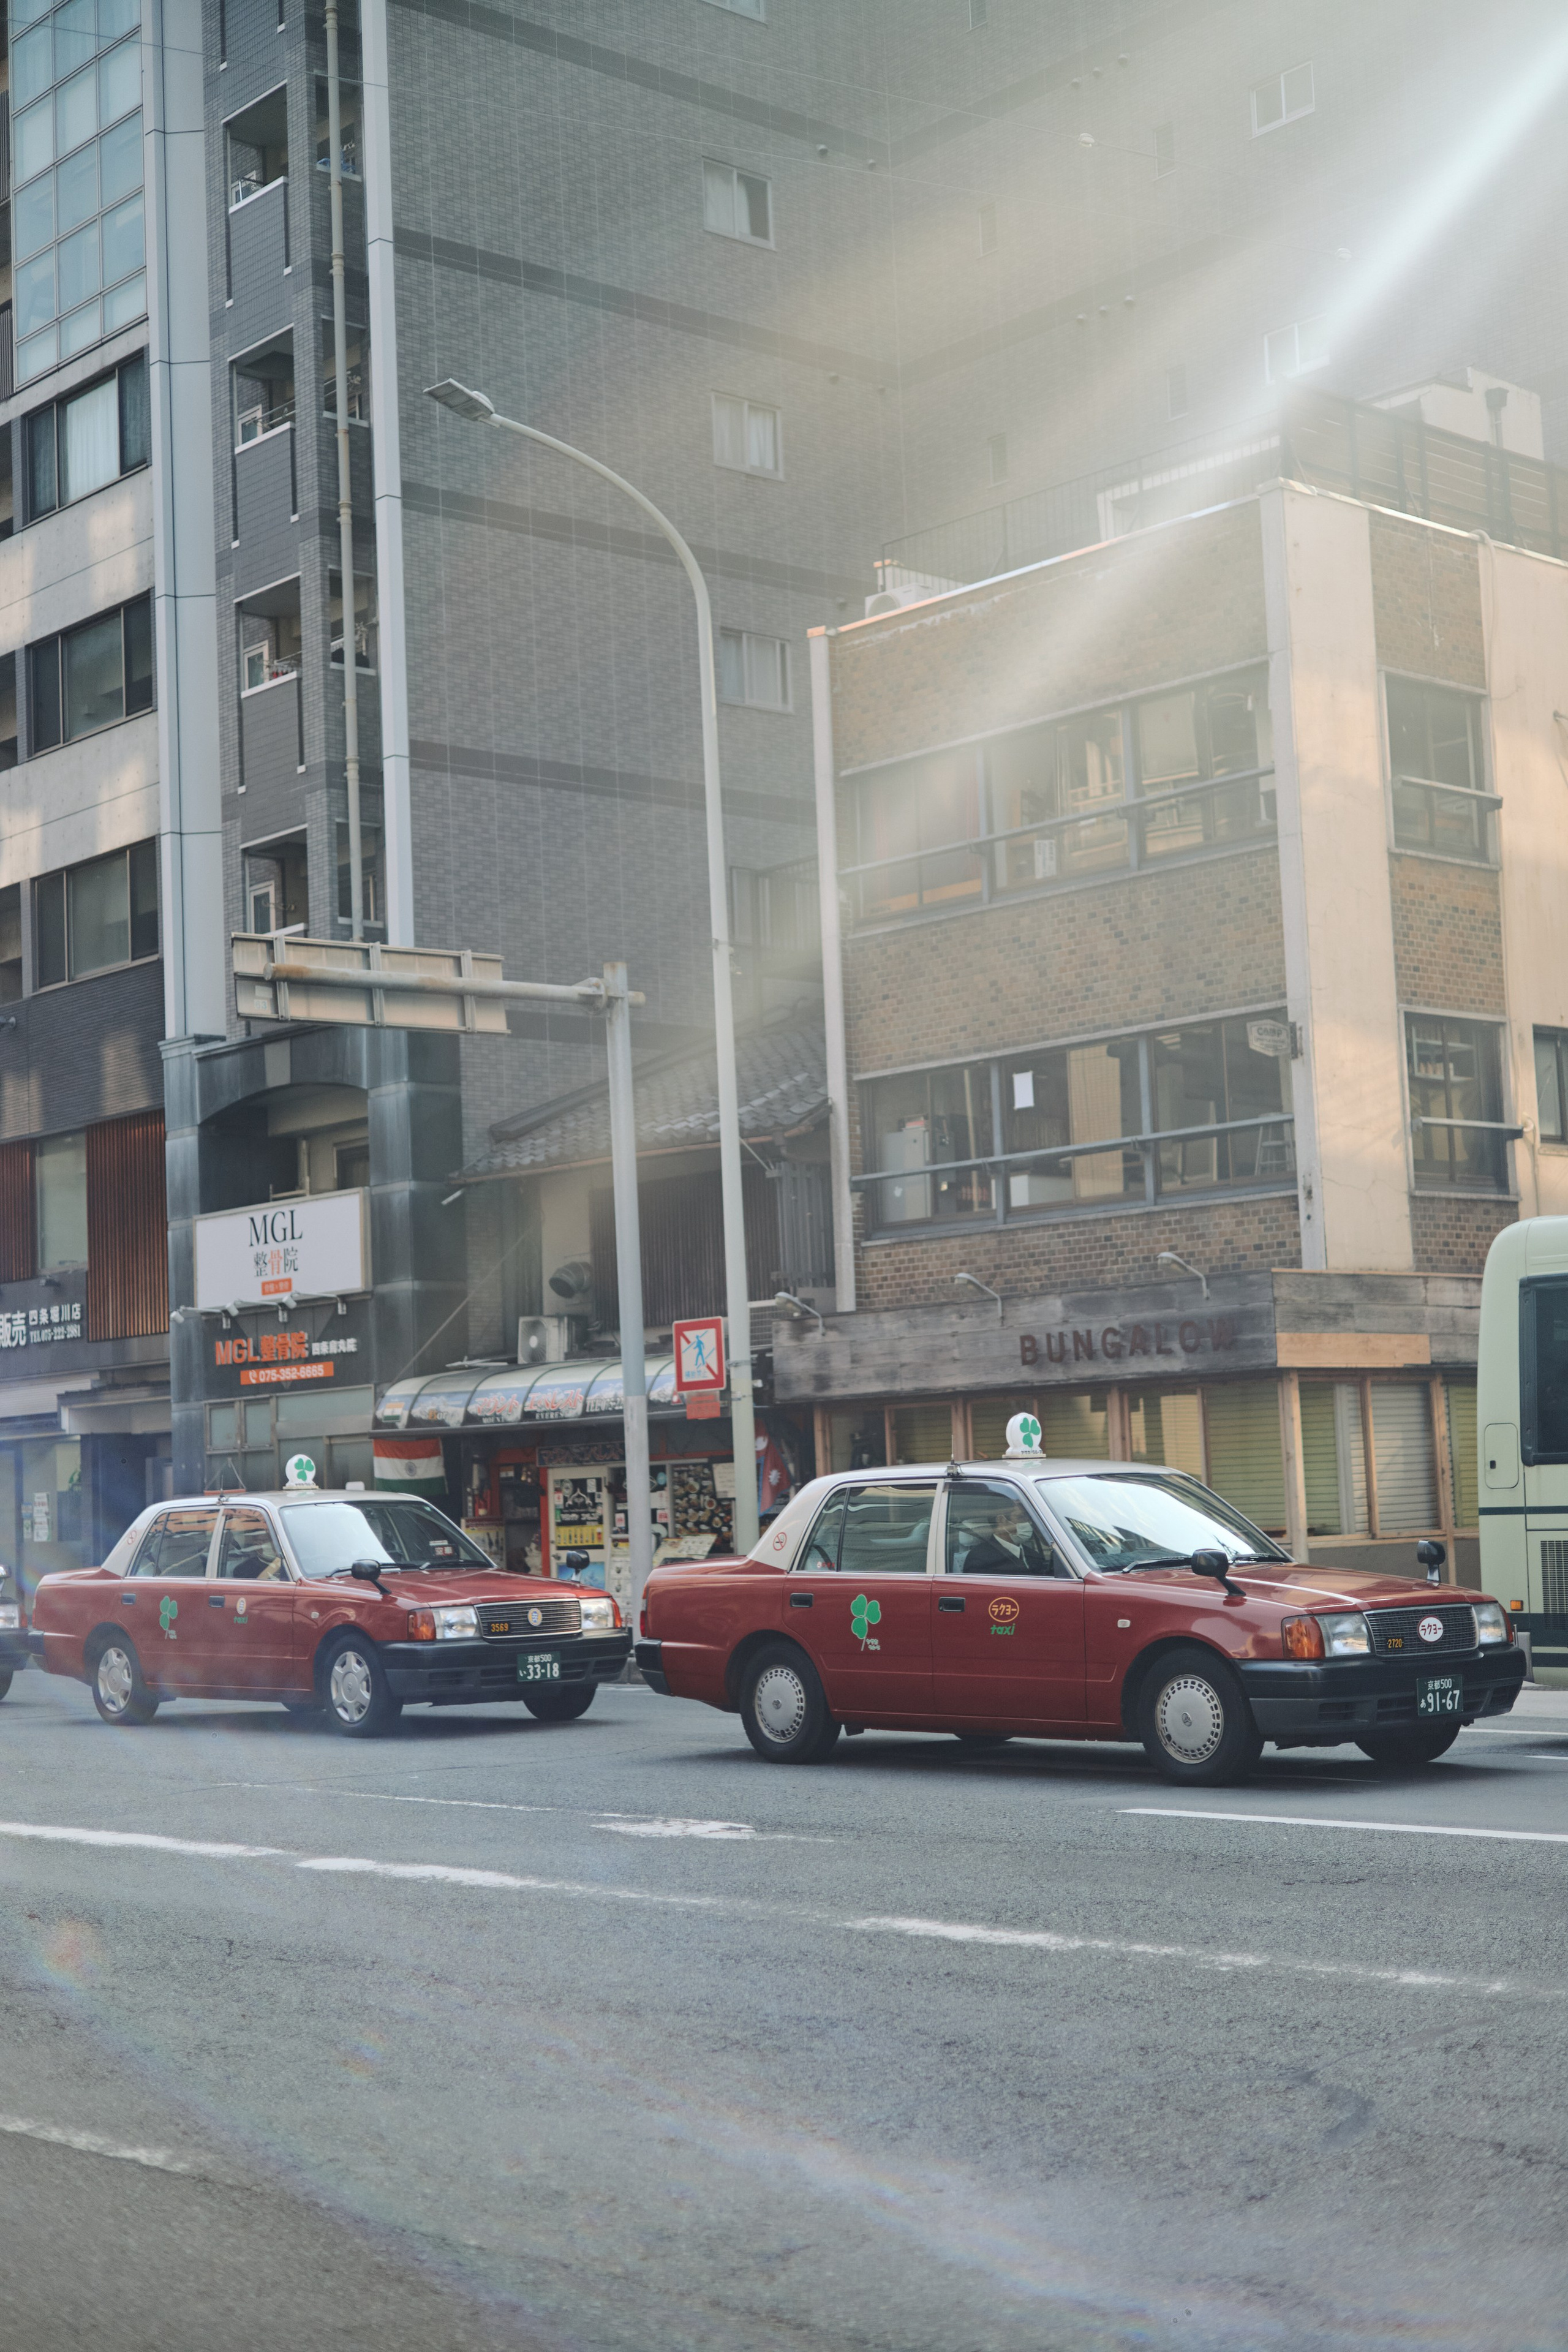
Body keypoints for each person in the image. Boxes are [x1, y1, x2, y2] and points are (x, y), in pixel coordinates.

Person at [960, 1496, 1055, 1577]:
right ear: (1001, 1520)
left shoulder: (1034, 1555)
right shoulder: (980, 1559)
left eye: (1028, 1518)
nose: (1027, 1523)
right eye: (1021, 1518)